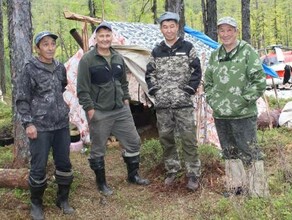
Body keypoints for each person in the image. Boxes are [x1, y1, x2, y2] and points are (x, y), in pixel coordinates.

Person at [77, 21, 149, 196]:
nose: (105, 38)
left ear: (112, 37)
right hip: (99, 111)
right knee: (99, 147)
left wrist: (125, 99)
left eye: (107, 35)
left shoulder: (117, 57)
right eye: (101, 35)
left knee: (133, 141)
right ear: (96, 38)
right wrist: (90, 109)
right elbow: (82, 88)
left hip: (120, 109)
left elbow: (123, 82)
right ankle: (101, 183)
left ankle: (133, 176)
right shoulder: (88, 59)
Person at [204, 17, 267, 195]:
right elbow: (207, 82)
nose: (225, 34)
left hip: (243, 114)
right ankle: (236, 187)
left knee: (250, 153)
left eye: (229, 30)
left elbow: (259, 81)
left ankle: (257, 190)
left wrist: (242, 101)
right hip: (221, 115)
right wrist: (214, 101)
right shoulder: (215, 55)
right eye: (222, 31)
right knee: (229, 153)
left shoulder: (247, 52)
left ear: (236, 31)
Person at [16, 31, 74, 219]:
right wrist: (28, 124)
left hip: (61, 125)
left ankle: (62, 199)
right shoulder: (29, 68)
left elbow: (62, 87)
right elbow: (22, 99)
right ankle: (36, 204)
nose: (50, 48)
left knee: (64, 163)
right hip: (39, 126)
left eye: (52, 44)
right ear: (38, 48)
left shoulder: (59, 67)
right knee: (38, 166)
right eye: (45, 44)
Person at [145, 12, 202, 191]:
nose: (168, 30)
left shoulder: (187, 47)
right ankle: (172, 170)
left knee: (188, 139)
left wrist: (188, 90)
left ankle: (193, 174)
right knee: (166, 138)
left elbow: (197, 71)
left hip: (183, 103)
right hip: (163, 105)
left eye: (172, 26)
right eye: (165, 27)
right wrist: (157, 92)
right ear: (161, 28)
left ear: (177, 27)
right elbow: (149, 74)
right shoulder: (156, 50)